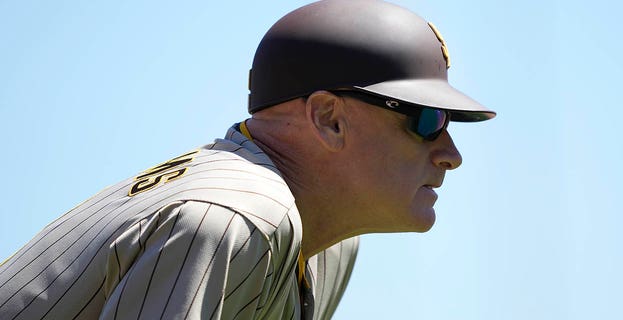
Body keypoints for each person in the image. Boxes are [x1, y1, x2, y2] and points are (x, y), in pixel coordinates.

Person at [0, 0, 495, 319]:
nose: (450, 155)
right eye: (426, 119)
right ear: (329, 119)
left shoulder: (329, 243)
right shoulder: (235, 218)